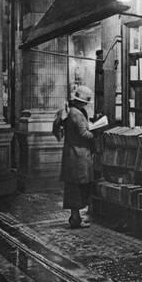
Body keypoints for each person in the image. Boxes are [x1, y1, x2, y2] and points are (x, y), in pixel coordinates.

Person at [60, 85, 95, 229]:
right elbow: (83, 134)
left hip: (71, 155)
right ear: (82, 102)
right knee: (78, 187)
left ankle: (75, 217)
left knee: (73, 187)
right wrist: (96, 133)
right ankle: (75, 218)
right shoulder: (77, 114)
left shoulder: (71, 111)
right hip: (79, 156)